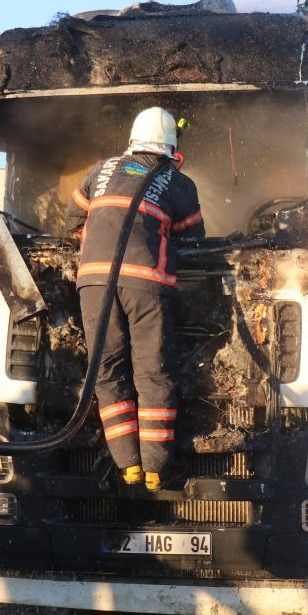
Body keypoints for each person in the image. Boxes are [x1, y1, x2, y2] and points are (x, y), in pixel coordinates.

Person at [65, 106, 204, 491]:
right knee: (153, 373)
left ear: (132, 141)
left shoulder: (100, 170)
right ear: (171, 148)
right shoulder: (178, 183)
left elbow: (71, 222)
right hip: (147, 285)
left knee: (106, 371)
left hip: (93, 284)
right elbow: (194, 243)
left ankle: (127, 465)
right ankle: (157, 468)